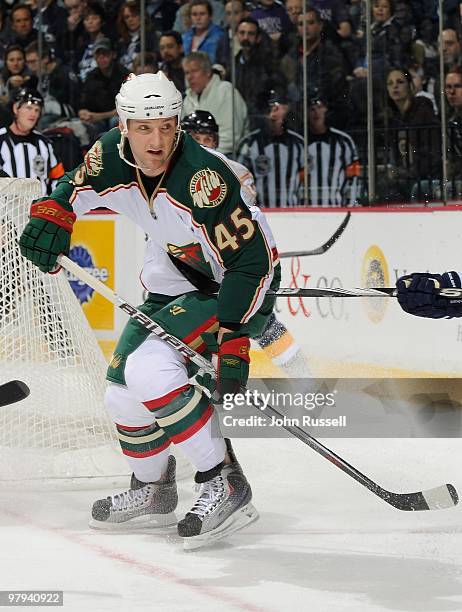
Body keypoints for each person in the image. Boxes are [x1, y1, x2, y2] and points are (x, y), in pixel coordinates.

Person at [18, 72, 280, 550]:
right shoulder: (108, 154)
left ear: (178, 124)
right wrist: (54, 214)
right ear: (123, 125)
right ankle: (155, 489)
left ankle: (224, 481)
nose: (156, 141)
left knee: (151, 369)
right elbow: (74, 188)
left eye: (166, 126)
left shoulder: (205, 181)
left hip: (234, 287)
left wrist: (236, 336)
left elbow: (251, 263)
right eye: (143, 128)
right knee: (120, 390)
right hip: (175, 284)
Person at [182, 108, 312, 377]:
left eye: (206, 137)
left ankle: (304, 378)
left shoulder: (236, 171)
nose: (201, 143)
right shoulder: (171, 178)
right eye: (194, 137)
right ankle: (193, 384)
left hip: (230, 263)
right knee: (198, 326)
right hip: (196, 267)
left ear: (215, 140)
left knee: (257, 322)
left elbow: (241, 218)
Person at [236, 89, 304, 207]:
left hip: (293, 212)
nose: (273, 113)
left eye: (277, 107)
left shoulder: (298, 143)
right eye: (269, 108)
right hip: (259, 213)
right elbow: (240, 179)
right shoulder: (249, 143)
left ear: (286, 109)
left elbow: (306, 175)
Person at [182, 51, 248, 155]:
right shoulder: (187, 98)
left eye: (194, 71)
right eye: (187, 72)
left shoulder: (226, 92)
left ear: (208, 72)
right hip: (196, 158)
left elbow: (231, 138)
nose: (190, 77)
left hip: (227, 158)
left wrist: (205, 156)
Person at [0, 87, 64, 195]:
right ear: (16, 109)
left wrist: (54, 201)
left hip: (39, 209)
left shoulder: (45, 144)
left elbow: (58, 178)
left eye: (37, 110)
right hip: (6, 210)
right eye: (29, 108)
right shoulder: (1, 140)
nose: (33, 114)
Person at [306, 96, 360, 207]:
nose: (316, 112)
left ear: (326, 110)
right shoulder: (300, 143)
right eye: (312, 109)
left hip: (336, 208)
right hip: (304, 211)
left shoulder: (344, 141)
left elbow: (353, 179)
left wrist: (349, 207)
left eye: (320, 107)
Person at [78, 37, 129, 138]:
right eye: (98, 55)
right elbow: (83, 103)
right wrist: (82, 112)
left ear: (113, 55)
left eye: (105, 54)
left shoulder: (124, 74)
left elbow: (124, 109)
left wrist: (98, 116)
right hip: (97, 120)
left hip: (116, 118)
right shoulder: (91, 76)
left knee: (115, 121)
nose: (101, 58)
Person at [181, 0, 225, 65]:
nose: (198, 18)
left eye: (202, 14)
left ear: (210, 16)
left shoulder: (220, 36)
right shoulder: (185, 37)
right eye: (194, 14)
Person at [158, 30, 185, 94]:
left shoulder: (190, 68)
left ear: (180, 48)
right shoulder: (161, 71)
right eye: (162, 48)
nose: (165, 51)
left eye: (170, 46)